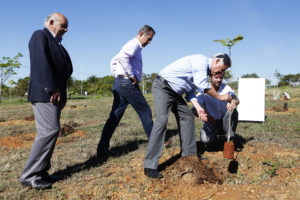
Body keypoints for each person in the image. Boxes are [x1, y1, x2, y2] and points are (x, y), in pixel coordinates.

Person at [143, 53, 232, 179]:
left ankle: (189, 158)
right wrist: (221, 97)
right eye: (222, 69)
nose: (220, 72)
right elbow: (202, 85)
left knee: (188, 117)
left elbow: (190, 92)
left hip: (176, 93)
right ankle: (150, 166)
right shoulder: (200, 61)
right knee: (161, 121)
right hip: (163, 87)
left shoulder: (203, 72)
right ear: (217, 61)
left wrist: (199, 108)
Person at [20, 13, 72, 189]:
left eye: (66, 27)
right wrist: (51, 88)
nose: (65, 30)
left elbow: (66, 67)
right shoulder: (39, 35)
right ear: (51, 22)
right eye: (63, 26)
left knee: (50, 131)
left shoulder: (57, 43)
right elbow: (40, 64)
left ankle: (41, 172)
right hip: (45, 94)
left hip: (55, 94)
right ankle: (30, 175)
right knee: (49, 131)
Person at [97, 25, 155, 157]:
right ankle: (156, 142)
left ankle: (102, 149)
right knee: (145, 111)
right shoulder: (134, 44)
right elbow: (123, 57)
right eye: (149, 38)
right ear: (141, 33)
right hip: (127, 83)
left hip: (120, 82)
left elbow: (114, 60)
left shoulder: (133, 45)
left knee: (114, 117)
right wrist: (130, 75)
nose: (149, 42)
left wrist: (118, 75)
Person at [192, 72, 239, 145]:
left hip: (225, 121)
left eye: (221, 78)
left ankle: (230, 139)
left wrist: (233, 101)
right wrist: (208, 118)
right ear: (210, 78)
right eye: (216, 77)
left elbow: (235, 98)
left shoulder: (226, 88)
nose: (219, 80)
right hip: (211, 121)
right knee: (205, 140)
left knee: (232, 111)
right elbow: (194, 109)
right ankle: (214, 139)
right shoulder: (203, 91)